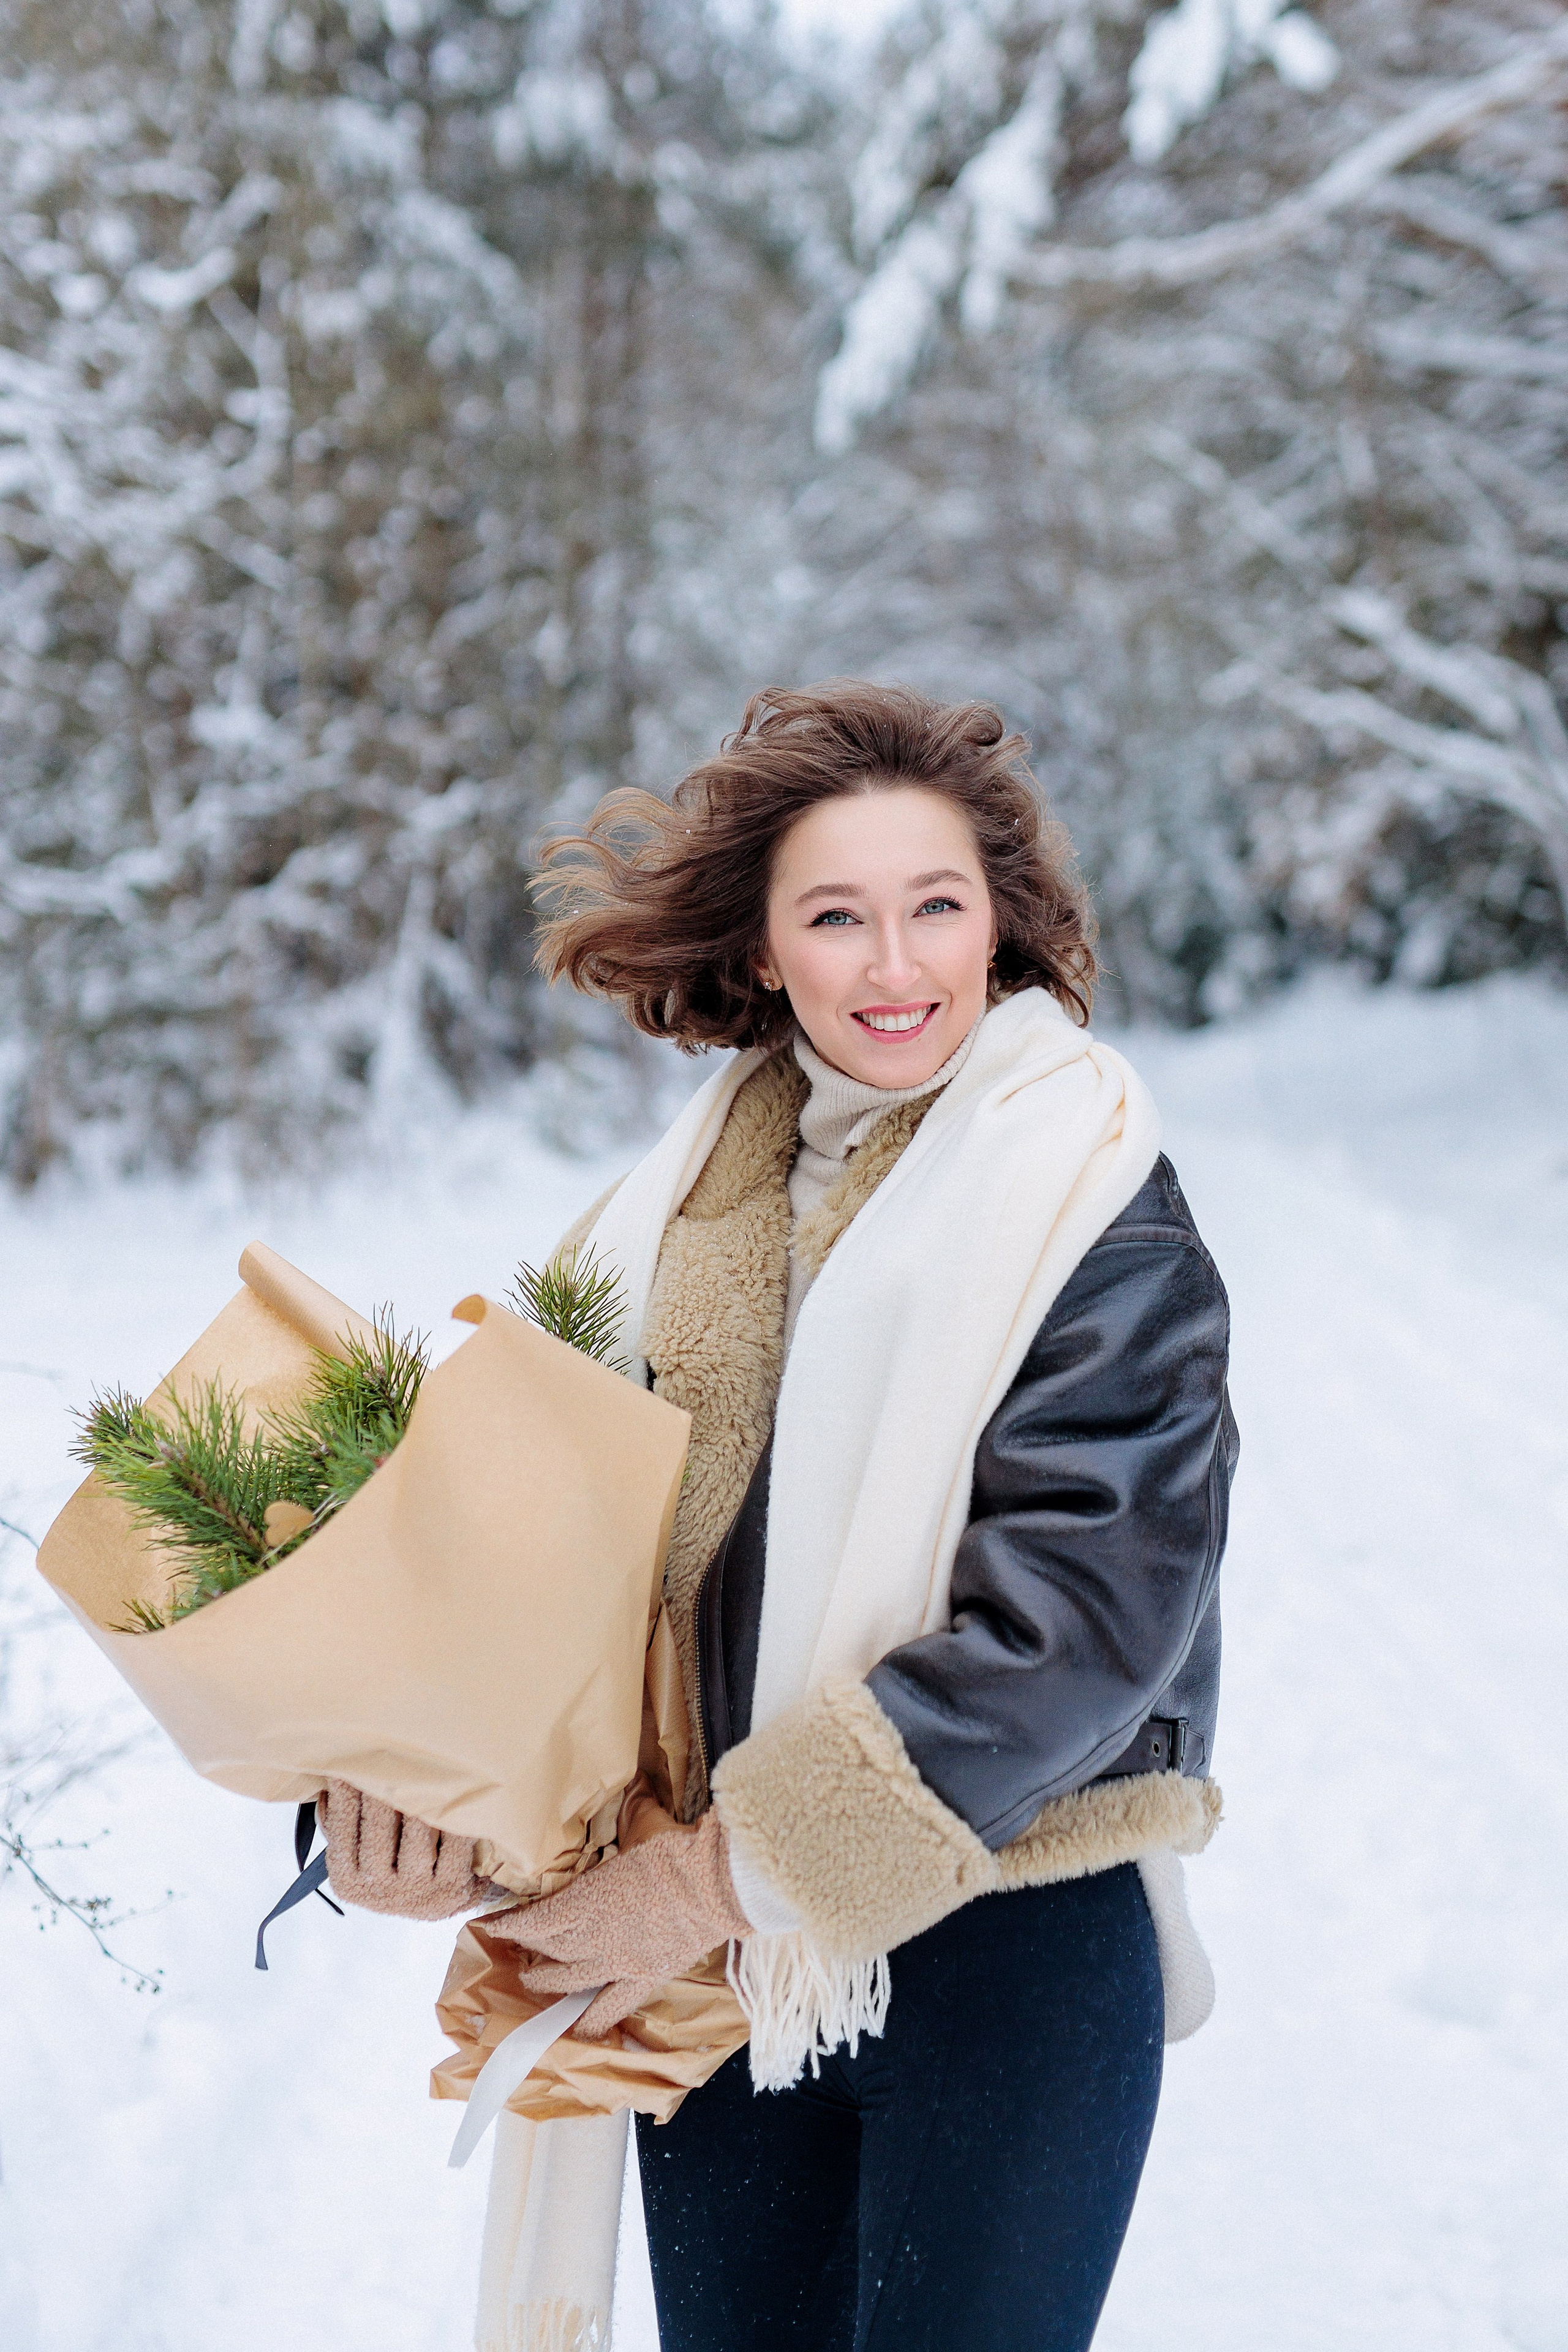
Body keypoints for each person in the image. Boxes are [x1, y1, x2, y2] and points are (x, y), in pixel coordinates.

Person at [326, 680, 1237, 2352]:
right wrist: (406, 1802)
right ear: (762, 948)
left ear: (1000, 924)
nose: (895, 965)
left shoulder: (1098, 1201)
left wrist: (721, 1879)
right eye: (836, 916)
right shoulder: (670, 1218)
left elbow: (1086, 1629)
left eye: (936, 907)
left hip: (1007, 1956)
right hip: (729, 1998)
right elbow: (521, 1558)